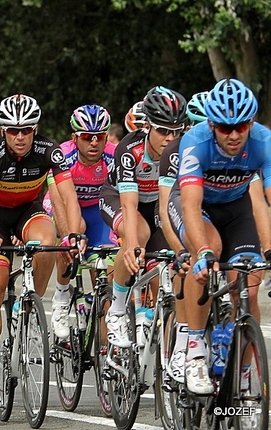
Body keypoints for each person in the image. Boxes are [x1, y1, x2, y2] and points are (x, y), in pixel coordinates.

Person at [0, 94, 84, 408]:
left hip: (27, 211)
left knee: (48, 241)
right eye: (12, 131)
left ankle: (30, 306)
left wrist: (74, 233)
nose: (20, 136)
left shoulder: (49, 151)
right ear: (2, 130)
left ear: (35, 129)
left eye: (26, 130)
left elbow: (68, 195)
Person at [169, 78, 271, 394]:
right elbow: (190, 204)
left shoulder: (263, 141)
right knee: (206, 254)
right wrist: (201, 252)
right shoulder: (195, 142)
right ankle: (195, 350)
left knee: (249, 288)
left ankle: (241, 374)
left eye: (241, 126)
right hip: (197, 207)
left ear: (251, 122)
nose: (234, 134)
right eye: (225, 127)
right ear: (212, 124)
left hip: (236, 207)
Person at [100, 86, 187, 348]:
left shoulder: (183, 149)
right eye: (163, 130)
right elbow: (129, 204)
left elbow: (173, 204)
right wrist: (131, 241)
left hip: (158, 204)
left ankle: (162, 330)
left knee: (167, 267)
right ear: (147, 125)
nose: (170, 138)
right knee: (138, 235)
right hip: (119, 199)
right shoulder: (130, 148)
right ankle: (115, 311)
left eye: (176, 131)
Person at [42, 104, 116, 339]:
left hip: (97, 210)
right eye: (86, 137)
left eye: (99, 137)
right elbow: (61, 199)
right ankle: (62, 294)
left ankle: (106, 350)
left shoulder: (114, 156)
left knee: (106, 272)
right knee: (73, 236)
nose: (94, 143)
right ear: (75, 138)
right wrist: (70, 236)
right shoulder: (63, 155)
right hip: (62, 204)